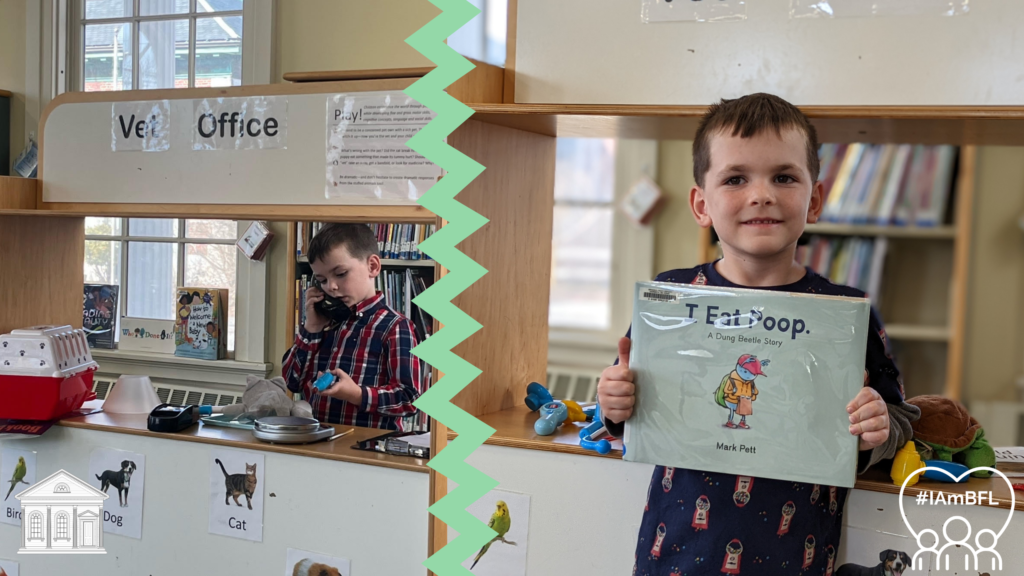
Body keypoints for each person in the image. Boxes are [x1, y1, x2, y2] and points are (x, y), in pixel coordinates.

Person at [596, 93, 922, 574]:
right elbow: (632, 417)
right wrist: (613, 402)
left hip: (797, 558)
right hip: (677, 556)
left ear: (814, 200)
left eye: (784, 177)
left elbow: (898, 420)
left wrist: (878, 428)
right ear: (701, 204)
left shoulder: (844, 313)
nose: (761, 194)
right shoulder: (673, 296)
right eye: (735, 179)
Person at [282, 223, 425, 430]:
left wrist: (356, 394)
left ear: (373, 267)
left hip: (366, 451)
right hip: (317, 444)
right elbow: (291, 381)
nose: (331, 286)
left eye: (340, 274)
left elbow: (409, 399)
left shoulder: (395, 327)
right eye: (322, 280)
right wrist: (311, 328)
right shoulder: (323, 323)